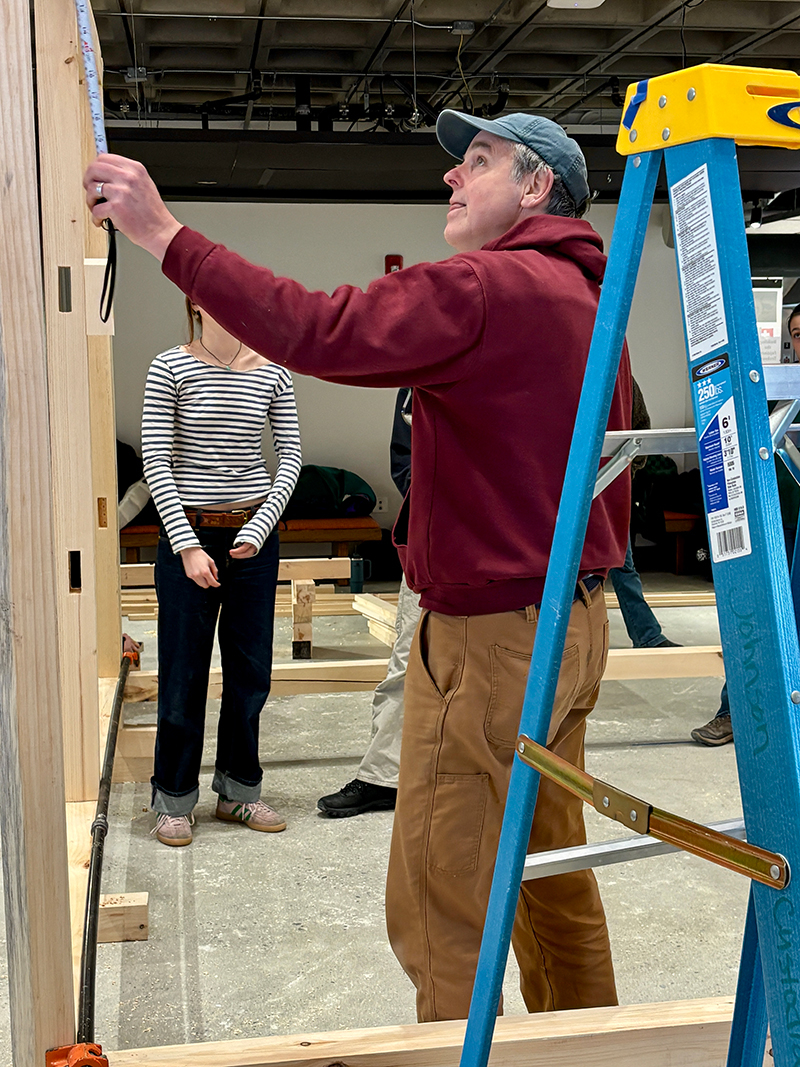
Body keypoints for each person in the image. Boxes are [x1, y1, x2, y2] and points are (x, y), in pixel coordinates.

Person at [85, 109, 631, 1020]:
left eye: (480, 163)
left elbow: (317, 327)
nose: (452, 178)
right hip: (574, 624)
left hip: (492, 638)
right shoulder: (592, 297)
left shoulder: (486, 287)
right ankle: (592, 1041)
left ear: (537, 188)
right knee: (547, 874)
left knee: (441, 897)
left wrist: (163, 234)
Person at [142, 298, 302, 846]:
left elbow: (291, 457)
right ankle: (173, 799)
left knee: (250, 671)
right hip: (187, 532)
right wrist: (186, 546)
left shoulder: (274, 370)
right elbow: (156, 460)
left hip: (254, 537)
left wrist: (259, 527)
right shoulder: (170, 367)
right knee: (184, 671)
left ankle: (238, 792)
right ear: (191, 302)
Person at [691, 302, 800, 747]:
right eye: (794, 337)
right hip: (778, 517)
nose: (798, 345)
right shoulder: (783, 382)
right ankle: (737, 710)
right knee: (757, 613)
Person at [318, 388, 420, 817]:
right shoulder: (425, 364)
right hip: (437, 540)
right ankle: (384, 777)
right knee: (409, 657)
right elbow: (406, 459)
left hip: (519, 548)